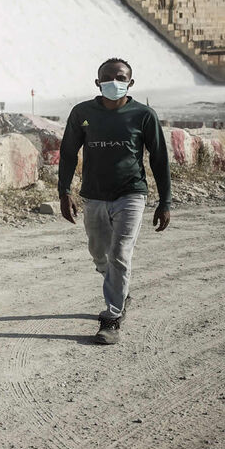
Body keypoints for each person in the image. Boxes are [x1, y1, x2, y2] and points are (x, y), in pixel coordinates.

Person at [58, 58, 171, 345]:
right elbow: (69, 153)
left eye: (120, 77)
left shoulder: (143, 115)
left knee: (120, 254)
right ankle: (119, 290)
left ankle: (111, 318)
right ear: (97, 83)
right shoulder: (83, 113)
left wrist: (165, 201)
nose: (113, 82)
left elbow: (159, 159)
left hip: (131, 194)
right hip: (94, 195)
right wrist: (64, 192)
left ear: (130, 82)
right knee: (99, 253)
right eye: (107, 78)